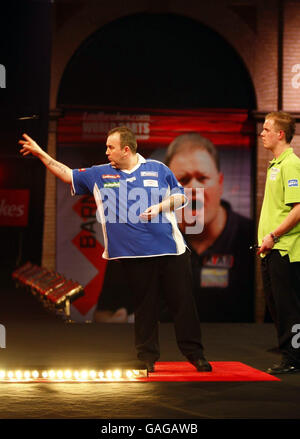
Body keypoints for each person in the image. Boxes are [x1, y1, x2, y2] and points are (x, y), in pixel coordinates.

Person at [19, 126, 212, 373]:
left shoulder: (158, 168)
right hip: (135, 256)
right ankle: (147, 357)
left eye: (111, 147)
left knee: (183, 304)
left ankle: (195, 355)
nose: (107, 151)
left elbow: (180, 197)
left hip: (171, 251)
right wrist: (40, 154)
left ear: (126, 149)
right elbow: (67, 174)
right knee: (145, 306)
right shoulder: (100, 174)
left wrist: (161, 207)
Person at [165, 133, 254, 322]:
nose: (194, 189)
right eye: (183, 180)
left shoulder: (253, 238)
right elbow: (107, 312)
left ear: (220, 184)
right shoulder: (148, 239)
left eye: (202, 178)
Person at [257, 111, 300, 375]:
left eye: (266, 129)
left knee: (289, 306)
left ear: (280, 134)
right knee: (277, 306)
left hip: (286, 249)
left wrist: (273, 235)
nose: (262, 133)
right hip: (272, 250)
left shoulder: (291, 164)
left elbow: (298, 209)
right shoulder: (275, 165)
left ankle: (294, 357)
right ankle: (290, 354)